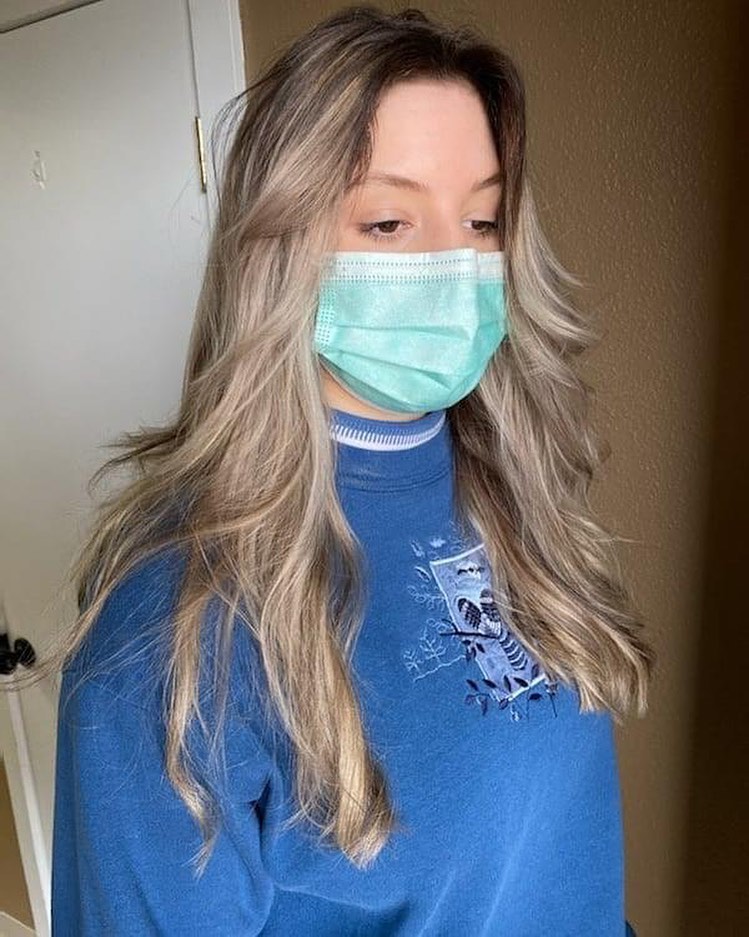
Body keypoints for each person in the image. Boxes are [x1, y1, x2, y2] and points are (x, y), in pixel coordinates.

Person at [27, 5, 653, 935]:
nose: (453, 261)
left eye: (481, 218)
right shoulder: (172, 621)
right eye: (389, 221)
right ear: (278, 246)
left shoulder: (514, 487)